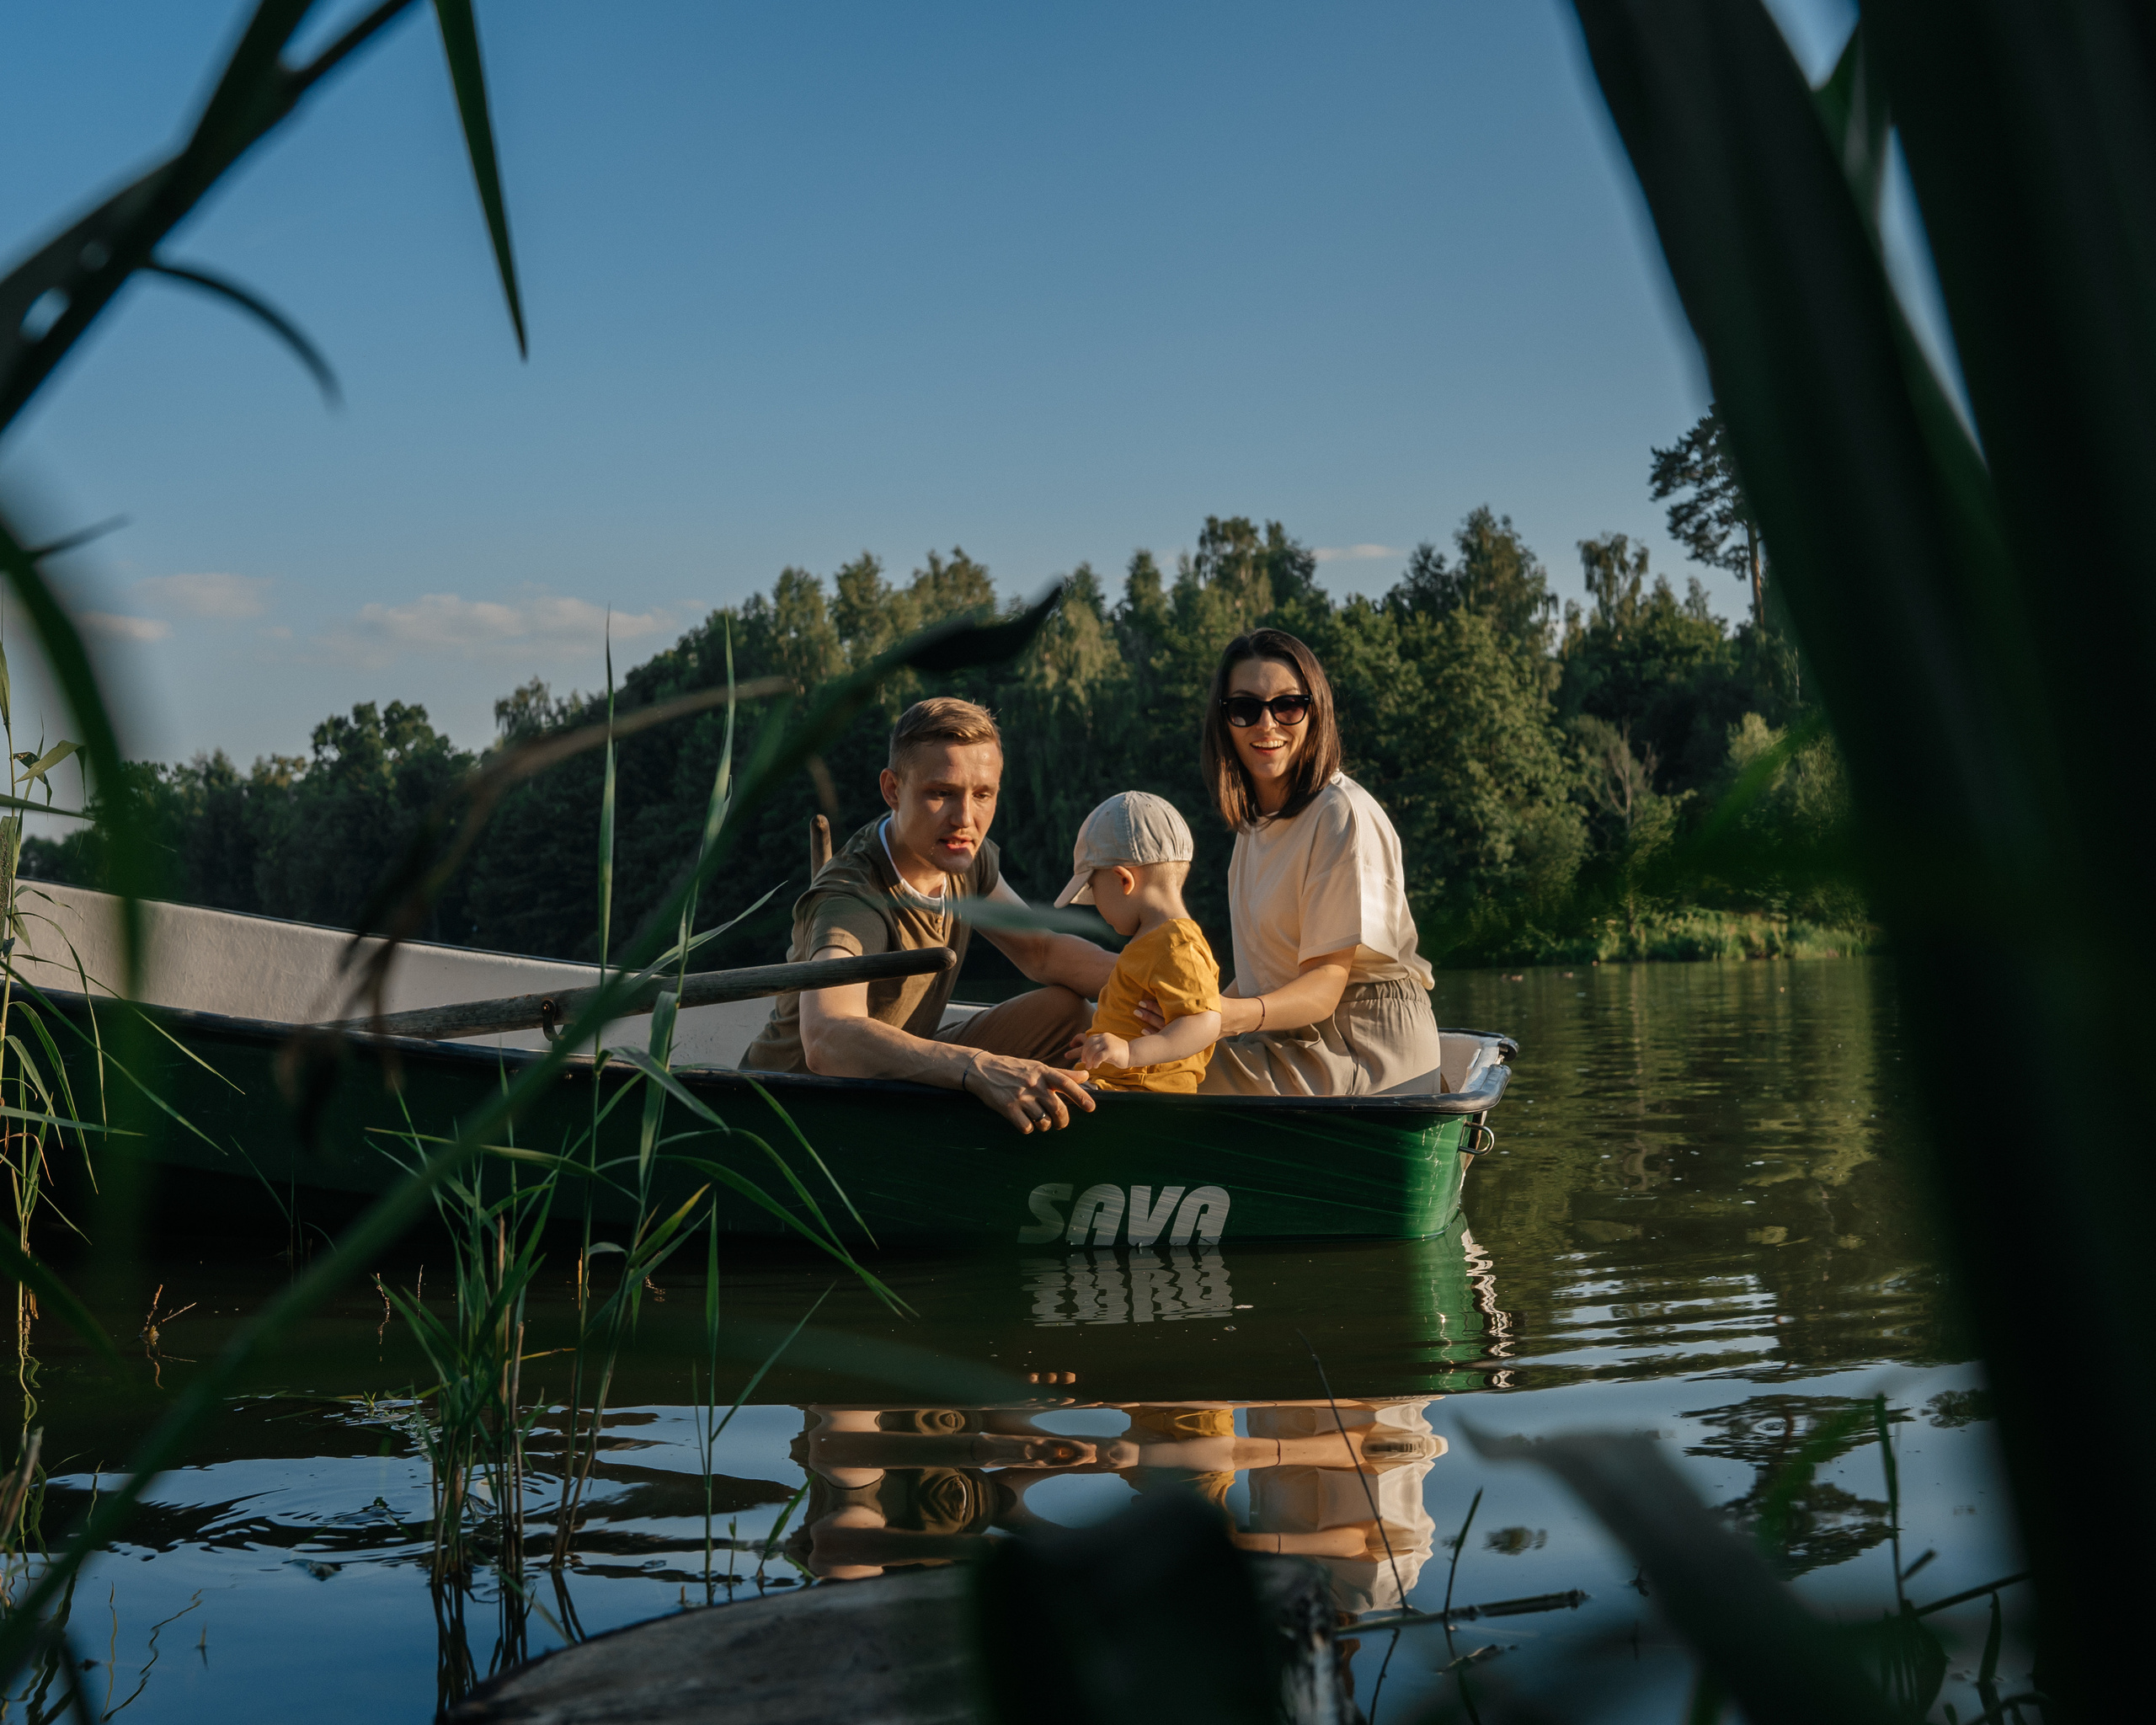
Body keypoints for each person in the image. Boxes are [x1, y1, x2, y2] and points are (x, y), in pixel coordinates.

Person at [739, 697, 1117, 1134]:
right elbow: (828, 1037)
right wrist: (974, 1066)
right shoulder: (850, 896)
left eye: (983, 795)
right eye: (941, 793)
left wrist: (1168, 988)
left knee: (1067, 1012)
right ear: (893, 789)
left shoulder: (962, 855)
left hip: (894, 1087)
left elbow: (1043, 951)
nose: (965, 818)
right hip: (798, 1111)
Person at [1160, 628, 1444, 1097]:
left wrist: (1219, 1019)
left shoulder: (1340, 814)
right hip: (1296, 1038)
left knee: (1153, 1073)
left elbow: (1323, 987)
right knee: (1145, 1049)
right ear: (1224, 722)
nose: (1266, 725)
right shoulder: (1254, 829)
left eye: (1288, 706)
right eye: (1245, 708)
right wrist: (1183, 1015)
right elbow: (1263, 981)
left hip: (1363, 1048)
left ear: (1315, 714)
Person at [1051, 791, 1222, 1094]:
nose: (1096, 906)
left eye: (1092, 889)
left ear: (1123, 881)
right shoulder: (1154, 940)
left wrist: (1130, 1054)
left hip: (1142, 1096)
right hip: (1117, 1085)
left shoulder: (1176, 944)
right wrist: (1101, 1037)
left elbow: (1204, 1022)